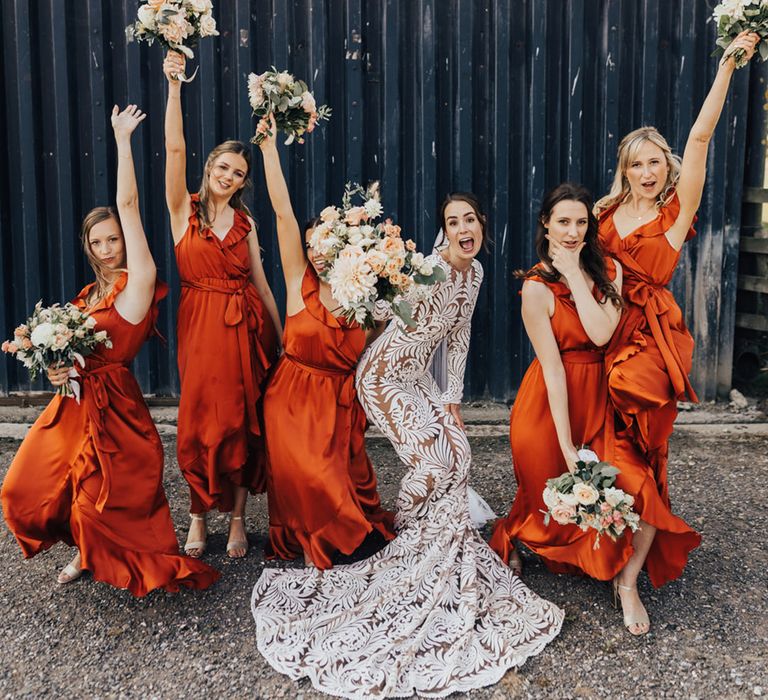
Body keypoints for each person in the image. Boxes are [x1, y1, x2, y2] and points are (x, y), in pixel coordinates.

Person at [251, 193, 562, 698]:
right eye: (452, 221)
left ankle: (440, 546)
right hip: (382, 379)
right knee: (437, 464)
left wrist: (453, 400)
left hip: (419, 379)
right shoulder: (432, 270)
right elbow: (385, 320)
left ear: (482, 225)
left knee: (460, 457)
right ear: (444, 231)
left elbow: (457, 337)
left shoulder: (476, 275)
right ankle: (413, 539)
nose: (463, 228)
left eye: (470, 220)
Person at [1, 105, 219, 595]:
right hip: (75, 399)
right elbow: (74, 349)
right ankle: (84, 547)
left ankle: (87, 553)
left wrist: (122, 141)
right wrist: (56, 368)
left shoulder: (137, 284)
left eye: (114, 238)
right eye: (97, 241)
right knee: (26, 485)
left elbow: (129, 204)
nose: (107, 247)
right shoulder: (88, 294)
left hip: (115, 403)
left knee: (102, 490)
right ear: (88, 245)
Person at [593, 32, 758, 628]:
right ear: (624, 169)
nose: (644, 170)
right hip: (603, 329)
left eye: (653, 161)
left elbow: (700, 136)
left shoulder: (675, 211)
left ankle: (631, 579)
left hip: (652, 338)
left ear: (667, 168)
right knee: (591, 450)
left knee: (641, 448)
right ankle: (595, 548)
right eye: (634, 163)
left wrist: (726, 68)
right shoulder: (603, 215)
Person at [488, 183, 700, 635]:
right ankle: (519, 538)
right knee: (542, 503)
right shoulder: (534, 288)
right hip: (550, 407)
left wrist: (575, 277)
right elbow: (552, 371)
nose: (572, 231)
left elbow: (602, 335)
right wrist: (566, 443)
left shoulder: (609, 271)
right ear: (545, 223)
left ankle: (626, 584)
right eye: (563, 221)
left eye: (581, 222)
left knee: (641, 489)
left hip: (602, 401)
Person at [256, 116, 394, 568]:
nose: (314, 251)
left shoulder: (366, 294)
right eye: (309, 244)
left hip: (340, 396)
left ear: (342, 247)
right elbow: (282, 213)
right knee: (312, 475)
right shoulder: (299, 282)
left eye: (323, 244)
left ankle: (348, 529)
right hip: (293, 397)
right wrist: (269, 149)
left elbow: (380, 344)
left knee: (347, 473)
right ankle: (338, 538)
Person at [163, 51, 282, 558]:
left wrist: (283, 333)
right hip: (199, 323)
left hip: (244, 327)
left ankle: (235, 519)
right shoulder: (182, 211)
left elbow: (261, 283)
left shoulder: (247, 224)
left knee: (241, 422)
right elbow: (173, 149)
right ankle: (195, 515)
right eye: (223, 166)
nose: (229, 176)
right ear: (209, 166)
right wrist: (174, 88)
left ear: (242, 181)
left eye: (238, 172)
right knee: (197, 424)